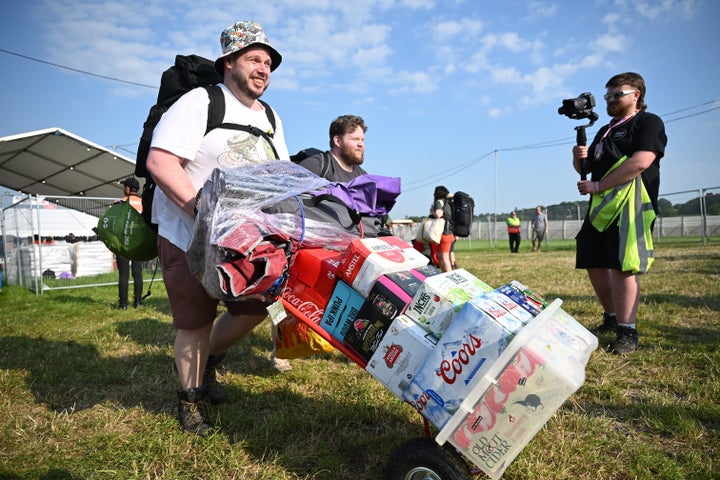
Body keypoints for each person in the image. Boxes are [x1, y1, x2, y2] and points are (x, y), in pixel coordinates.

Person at [146, 20, 290, 436]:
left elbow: (279, 175)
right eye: (254, 59)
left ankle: (208, 363)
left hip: (243, 237)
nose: (263, 68)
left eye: (268, 62)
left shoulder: (271, 118)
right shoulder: (200, 102)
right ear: (229, 62)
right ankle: (190, 403)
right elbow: (161, 163)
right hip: (188, 232)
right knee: (195, 321)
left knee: (254, 307)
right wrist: (204, 216)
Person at [572, 72, 667, 355]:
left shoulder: (648, 122)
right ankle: (611, 318)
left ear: (636, 95)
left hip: (631, 205)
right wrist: (578, 160)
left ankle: (628, 331)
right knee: (593, 258)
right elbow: (587, 170)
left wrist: (599, 185)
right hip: (600, 207)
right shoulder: (605, 129)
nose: (611, 100)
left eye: (617, 94)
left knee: (622, 264)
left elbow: (641, 161)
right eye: (608, 96)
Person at [298, 114, 368, 181]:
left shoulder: (364, 177)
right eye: (355, 139)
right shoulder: (315, 165)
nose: (361, 144)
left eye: (362, 140)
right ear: (337, 141)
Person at [116, 177, 144, 309]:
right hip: (138, 243)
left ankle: (123, 305)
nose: (123, 189)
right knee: (137, 273)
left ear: (128, 188)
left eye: (124, 186)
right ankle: (138, 301)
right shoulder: (143, 202)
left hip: (122, 242)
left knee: (124, 274)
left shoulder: (119, 202)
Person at [432, 186, 456, 272]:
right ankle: (444, 274)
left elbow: (439, 214)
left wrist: (432, 211)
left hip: (444, 233)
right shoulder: (450, 203)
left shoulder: (440, 202)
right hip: (451, 233)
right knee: (439, 256)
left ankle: (449, 276)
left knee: (444, 258)